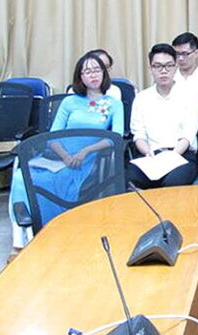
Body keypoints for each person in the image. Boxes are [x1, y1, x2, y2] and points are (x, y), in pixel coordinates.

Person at [9, 52, 124, 252]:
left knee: (53, 182)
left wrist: (85, 151)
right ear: (80, 77)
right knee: (21, 177)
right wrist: (65, 156)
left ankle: (52, 230)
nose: (93, 75)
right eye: (87, 71)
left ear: (104, 73)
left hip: (89, 161)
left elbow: (116, 136)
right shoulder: (69, 102)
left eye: (97, 70)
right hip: (59, 157)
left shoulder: (114, 103)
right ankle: (22, 233)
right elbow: (53, 136)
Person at [126, 43, 198, 189]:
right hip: (150, 156)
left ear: (176, 67)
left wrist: (171, 157)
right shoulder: (142, 98)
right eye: (158, 66)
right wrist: (148, 152)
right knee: (127, 178)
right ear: (150, 69)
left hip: (180, 155)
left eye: (169, 66)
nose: (163, 71)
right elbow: (139, 135)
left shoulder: (190, 96)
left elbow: (188, 136)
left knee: (171, 183)